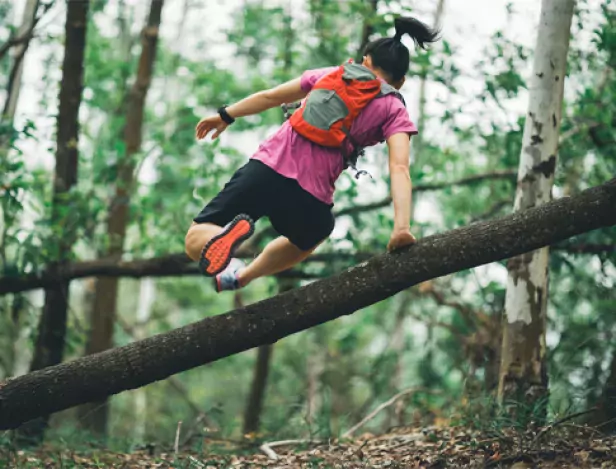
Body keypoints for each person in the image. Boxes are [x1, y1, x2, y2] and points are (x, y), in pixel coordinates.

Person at [185, 16, 440, 293]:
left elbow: (272, 96)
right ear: (400, 82)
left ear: (365, 61)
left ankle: (224, 240)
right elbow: (399, 168)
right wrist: (401, 228)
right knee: (310, 236)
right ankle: (242, 277)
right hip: (311, 198)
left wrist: (226, 115)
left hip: (266, 168)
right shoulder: (394, 108)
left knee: (195, 239)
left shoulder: (334, 74)